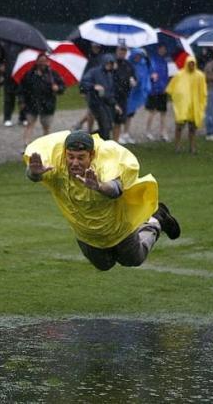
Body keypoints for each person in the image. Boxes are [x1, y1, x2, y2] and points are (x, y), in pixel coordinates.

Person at [24, 130, 180, 271]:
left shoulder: (105, 162)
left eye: (80, 157)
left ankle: (156, 221)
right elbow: (35, 176)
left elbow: (116, 189)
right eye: (70, 157)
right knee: (104, 265)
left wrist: (99, 186)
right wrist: (33, 172)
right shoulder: (57, 164)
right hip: (85, 232)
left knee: (133, 259)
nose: (74, 162)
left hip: (117, 226)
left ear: (91, 155)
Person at [20, 53, 65, 147]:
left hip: (48, 104)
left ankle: (46, 145)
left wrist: (58, 88)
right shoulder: (30, 74)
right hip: (32, 103)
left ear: (47, 62)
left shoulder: (52, 74)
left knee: (46, 126)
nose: (42, 63)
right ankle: (26, 144)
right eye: (40, 61)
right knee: (30, 124)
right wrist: (22, 101)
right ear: (36, 62)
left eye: (44, 61)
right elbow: (22, 89)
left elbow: (62, 87)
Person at [166, 55, 207, 154]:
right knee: (179, 127)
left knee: (192, 128)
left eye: (193, 63)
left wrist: (202, 103)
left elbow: (203, 91)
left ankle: (192, 147)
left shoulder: (200, 76)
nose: (191, 65)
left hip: (194, 105)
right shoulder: (180, 75)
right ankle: (177, 146)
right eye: (190, 63)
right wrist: (178, 97)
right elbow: (171, 88)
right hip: (183, 106)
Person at [80, 54, 120, 140]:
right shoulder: (94, 72)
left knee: (108, 127)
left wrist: (115, 104)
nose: (109, 65)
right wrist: (93, 86)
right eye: (108, 63)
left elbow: (110, 93)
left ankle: (88, 138)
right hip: (96, 103)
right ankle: (90, 139)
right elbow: (84, 83)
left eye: (111, 64)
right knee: (105, 127)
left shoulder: (110, 75)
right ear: (103, 63)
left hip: (106, 103)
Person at [73, 42, 103, 132]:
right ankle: (88, 129)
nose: (96, 49)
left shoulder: (101, 59)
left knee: (93, 110)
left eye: (97, 47)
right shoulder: (89, 60)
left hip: (99, 87)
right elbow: (84, 76)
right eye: (94, 47)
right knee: (92, 110)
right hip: (90, 88)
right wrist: (82, 90)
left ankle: (80, 123)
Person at [124, 48, 152, 143]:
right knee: (124, 113)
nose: (138, 58)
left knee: (130, 114)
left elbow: (145, 75)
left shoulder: (143, 64)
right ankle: (122, 133)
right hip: (127, 93)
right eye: (136, 55)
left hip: (136, 93)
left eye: (140, 56)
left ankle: (126, 133)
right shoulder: (128, 64)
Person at [145, 44, 170, 141]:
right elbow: (150, 74)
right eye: (162, 48)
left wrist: (166, 86)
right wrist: (152, 77)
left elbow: (166, 75)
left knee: (163, 112)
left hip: (163, 90)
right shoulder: (152, 60)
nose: (163, 50)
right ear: (158, 49)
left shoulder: (164, 61)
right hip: (154, 91)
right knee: (152, 111)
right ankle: (148, 131)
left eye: (164, 49)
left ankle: (163, 132)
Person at [112, 45, 136, 143]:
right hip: (111, 95)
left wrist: (133, 81)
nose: (122, 53)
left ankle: (115, 141)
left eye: (124, 51)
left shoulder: (128, 65)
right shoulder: (111, 62)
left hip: (123, 96)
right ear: (116, 51)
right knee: (107, 121)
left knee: (119, 120)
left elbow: (134, 77)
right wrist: (113, 69)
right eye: (120, 50)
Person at [2, 42, 26, 127]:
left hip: (21, 76)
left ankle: (23, 117)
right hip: (9, 76)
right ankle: (7, 118)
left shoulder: (24, 46)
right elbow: (2, 59)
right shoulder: (5, 45)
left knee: (23, 98)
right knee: (9, 98)